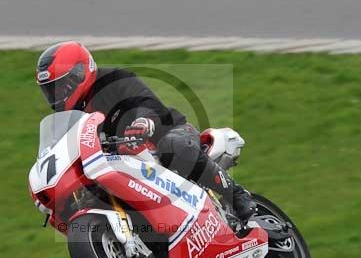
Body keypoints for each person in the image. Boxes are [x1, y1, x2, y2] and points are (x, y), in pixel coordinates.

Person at [35, 41, 257, 221]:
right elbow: (62, 153)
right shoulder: (67, 121)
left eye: (61, 87)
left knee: (174, 147)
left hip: (164, 136)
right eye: (50, 90)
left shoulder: (114, 80)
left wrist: (143, 122)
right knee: (89, 198)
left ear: (79, 73)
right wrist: (51, 191)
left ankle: (236, 195)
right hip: (118, 166)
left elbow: (146, 102)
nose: (57, 96)